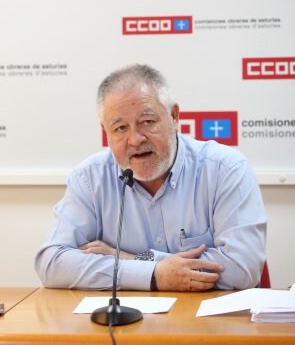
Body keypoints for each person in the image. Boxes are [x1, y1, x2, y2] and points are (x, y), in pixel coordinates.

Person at [35, 64, 266, 291]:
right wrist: (156, 274)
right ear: (106, 132)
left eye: (147, 122)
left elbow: (241, 268)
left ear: (174, 117)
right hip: (128, 325)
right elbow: (52, 263)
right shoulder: (89, 177)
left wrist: (135, 260)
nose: (135, 139)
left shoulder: (225, 169)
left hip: (212, 324)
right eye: (120, 128)